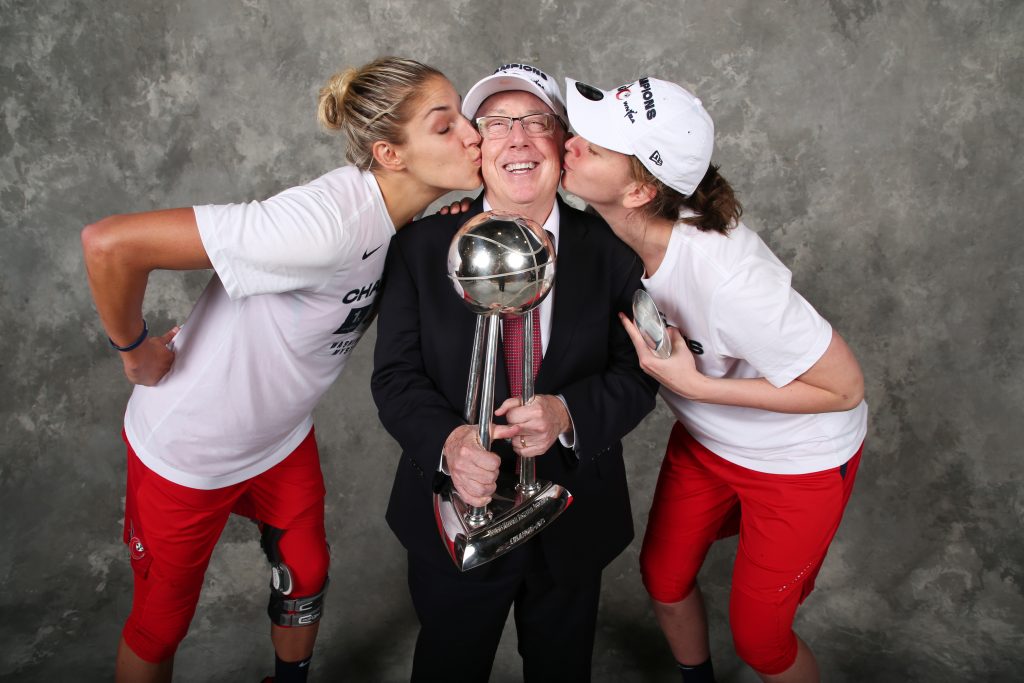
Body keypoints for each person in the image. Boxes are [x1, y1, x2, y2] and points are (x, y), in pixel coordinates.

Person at [81, 56, 482, 683]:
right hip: (192, 450)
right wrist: (135, 350)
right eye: (445, 125)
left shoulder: (401, 222)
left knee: (307, 578)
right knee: (160, 626)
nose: (473, 134)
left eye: (463, 116)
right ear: (390, 153)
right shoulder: (321, 226)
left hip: (278, 439)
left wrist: (440, 234)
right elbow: (109, 243)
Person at [559, 75, 868, 683]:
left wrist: (698, 388)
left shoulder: (730, 280)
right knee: (664, 578)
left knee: (762, 644)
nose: (571, 144)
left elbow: (844, 388)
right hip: (710, 444)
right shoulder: (611, 230)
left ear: (641, 189)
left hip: (796, 463)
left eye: (591, 148)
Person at [371, 63, 658, 682]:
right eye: (497, 124)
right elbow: (394, 378)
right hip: (456, 510)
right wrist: (448, 444)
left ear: (563, 144)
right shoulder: (421, 250)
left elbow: (638, 377)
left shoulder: (614, 251)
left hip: (573, 518)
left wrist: (567, 414)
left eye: (536, 122)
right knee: (449, 666)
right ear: (478, 147)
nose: (518, 140)